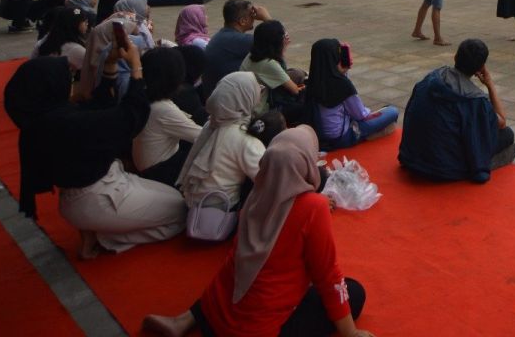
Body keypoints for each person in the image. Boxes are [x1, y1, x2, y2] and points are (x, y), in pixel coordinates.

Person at [143, 126, 370, 337]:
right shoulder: (313, 207)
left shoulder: (256, 194)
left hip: (217, 313)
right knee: (355, 293)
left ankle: (187, 319)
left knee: (241, 269)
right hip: (259, 327)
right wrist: (350, 332)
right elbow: (328, 275)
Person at [4, 48, 187, 259]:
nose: (72, 83)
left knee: (173, 197)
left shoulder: (47, 119)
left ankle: (99, 229)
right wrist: (137, 70)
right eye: (70, 78)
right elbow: (130, 117)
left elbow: (99, 106)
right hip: (99, 198)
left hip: (101, 187)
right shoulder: (66, 123)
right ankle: (105, 238)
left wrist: (110, 65)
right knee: (181, 213)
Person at [398, 38, 515, 183]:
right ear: (481, 68)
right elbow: (501, 121)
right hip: (443, 167)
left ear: (455, 57)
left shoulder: (432, 78)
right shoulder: (474, 100)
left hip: (411, 157)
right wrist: (490, 84)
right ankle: (471, 169)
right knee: (507, 136)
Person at [176, 71, 267, 211]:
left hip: (193, 203)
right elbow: (267, 178)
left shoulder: (211, 123)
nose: (259, 95)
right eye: (257, 90)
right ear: (245, 98)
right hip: (220, 209)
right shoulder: (244, 138)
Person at [305, 39, 398, 149]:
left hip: (319, 136)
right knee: (392, 111)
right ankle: (367, 135)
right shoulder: (341, 83)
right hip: (341, 137)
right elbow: (360, 115)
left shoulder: (312, 80)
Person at [134, 48, 203, 186]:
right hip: (158, 171)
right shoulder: (163, 109)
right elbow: (202, 136)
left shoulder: (142, 95)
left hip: (150, 163)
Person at [202, 0, 271, 101]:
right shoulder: (239, 40)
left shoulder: (222, 36)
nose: (254, 17)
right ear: (242, 21)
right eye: (251, 15)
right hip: (229, 102)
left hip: (216, 97)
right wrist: (266, 17)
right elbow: (280, 39)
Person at [238, 20, 304, 118]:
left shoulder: (253, 54)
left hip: (247, 101)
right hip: (258, 111)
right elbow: (294, 90)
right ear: (276, 43)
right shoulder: (268, 64)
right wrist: (283, 50)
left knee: (297, 73)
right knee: (303, 103)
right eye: (283, 36)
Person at [35, 6, 91, 75]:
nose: (87, 24)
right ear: (75, 25)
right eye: (85, 21)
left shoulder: (45, 40)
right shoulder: (76, 49)